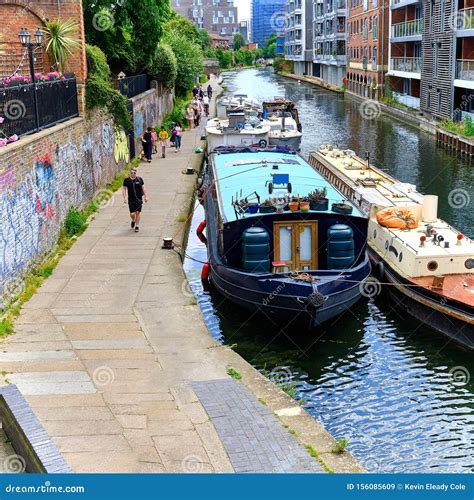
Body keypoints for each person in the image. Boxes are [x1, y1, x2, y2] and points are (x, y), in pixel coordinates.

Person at [122, 167, 147, 232]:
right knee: (132, 214)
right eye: (132, 173)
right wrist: (124, 198)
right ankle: (133, 220)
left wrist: (145, 197)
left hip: (139, 199)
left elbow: (143, 188)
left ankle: (137, 226)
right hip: (131, 200)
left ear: (136, 172)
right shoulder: (126, 180)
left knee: (138, 212)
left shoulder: (139, 179)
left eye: (134, 173)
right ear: (130, 173)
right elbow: (124, 189)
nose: (133, 174)